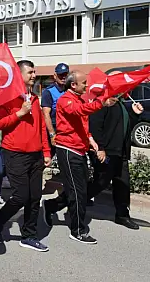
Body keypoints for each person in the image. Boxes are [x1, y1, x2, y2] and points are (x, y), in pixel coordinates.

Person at [43, 76, 144, 230]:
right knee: (97, 184)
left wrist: (135, 115)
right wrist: (100, 148)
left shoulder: (120, 102)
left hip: (120, 152)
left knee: (123, 184)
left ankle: (122, 215)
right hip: (107, 153)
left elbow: (124, 127)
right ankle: (55, 205)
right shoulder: (102, 102)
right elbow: (94, 127)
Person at [0, 60, 51, 252]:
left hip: (36, 156)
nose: (34, 75)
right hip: (15, 154)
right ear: (19, 75)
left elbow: (41, 127)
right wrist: (20, 113)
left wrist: (46, 152)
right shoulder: (6, 98)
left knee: (35, 197)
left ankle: (29, 235)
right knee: (20, 196)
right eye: (30, 72)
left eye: (35, 72)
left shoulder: (33, 98)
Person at [52, 71, 117, 244]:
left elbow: (82, 123)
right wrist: (101, 102)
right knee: (78, 191)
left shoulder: (79, 99)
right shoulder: (65, 100)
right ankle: (78, 230)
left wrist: (91, 140)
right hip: (67, 149)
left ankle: (51, 207)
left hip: (79, 149)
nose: (87, 86)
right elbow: (80, 111)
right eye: (84, 83)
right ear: (73, 85)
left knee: (79, 189)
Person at [41, 63, 69, 152]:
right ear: (55, 75)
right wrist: (52, 134)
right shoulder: (48, 91)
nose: (63, 77)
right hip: (54, 128)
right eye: (61, 75)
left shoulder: (70, 90)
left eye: (65, 74)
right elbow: (46, 115)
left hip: (67, 129)